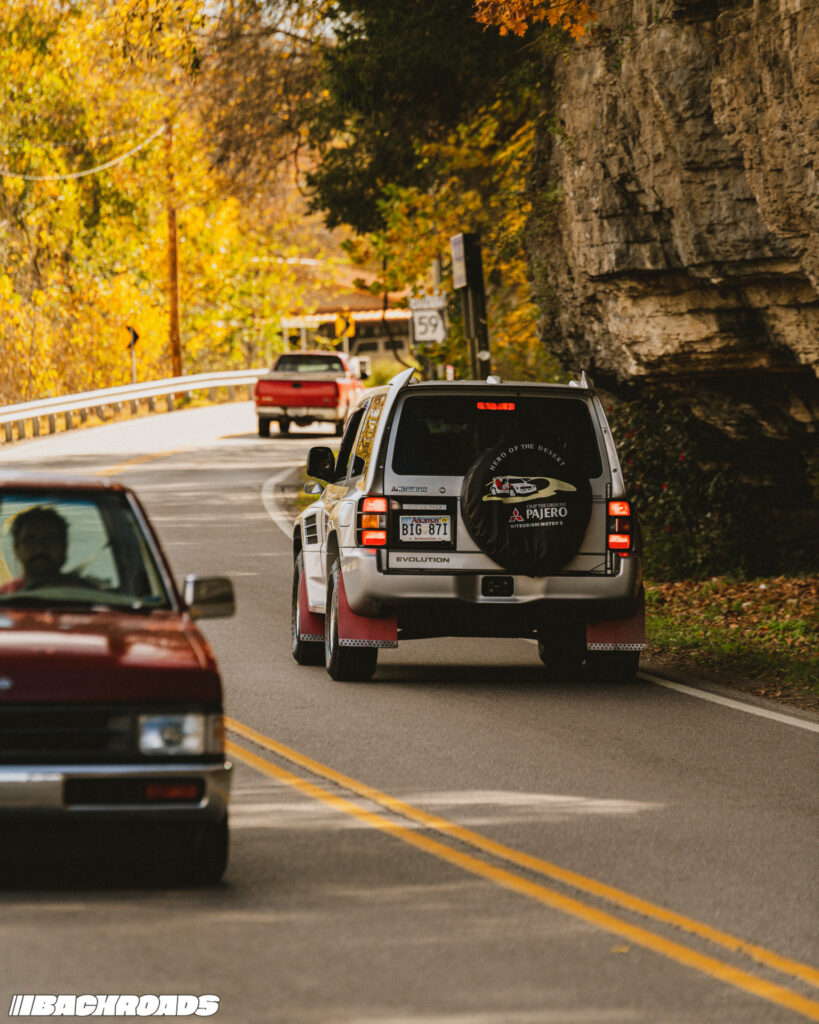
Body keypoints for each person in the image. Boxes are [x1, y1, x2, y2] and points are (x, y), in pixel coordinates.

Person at [0, 506, 72, 593]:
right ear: (16, 549)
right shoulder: (4, 597)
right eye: (30, 541)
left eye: (50, 540)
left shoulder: (88, 596)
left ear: (65, 546)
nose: (40, 549)